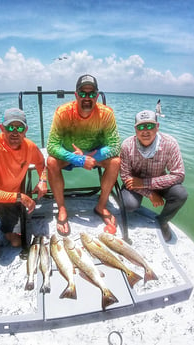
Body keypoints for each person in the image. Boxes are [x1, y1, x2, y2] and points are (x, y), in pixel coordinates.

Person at [47, 74, 121, 236]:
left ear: (96, 95)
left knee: (115, 161)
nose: (87, 97)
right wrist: (78, 159)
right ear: (76, 95)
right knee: (51, 161)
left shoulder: (106, 114)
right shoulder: (63, 112)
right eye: (83, 93)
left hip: (94, 156)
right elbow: (51, 146)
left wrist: (89, 157)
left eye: (91, 93)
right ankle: (62, 208)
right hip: (69, 155)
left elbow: (116, 146)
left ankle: (101, 206)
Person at [0, 108, 47, 272]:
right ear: (2, 128)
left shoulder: (30, 147)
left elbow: (41, 162)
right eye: (10, 127)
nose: (15, 132)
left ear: (25, 131)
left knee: (16, 242)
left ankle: (2, 224)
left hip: (11, 200)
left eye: (20, 128)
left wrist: (42, 180)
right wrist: (20, 196)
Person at [120, 109, 188, 242]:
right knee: (129, 205)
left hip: (159, 181)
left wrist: (146, 183)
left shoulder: (170, 143)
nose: (145, 131)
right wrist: (149, 193)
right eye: (141, 127)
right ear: (135, 129)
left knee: (180, 194)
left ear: (157, 127)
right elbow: (125, 176)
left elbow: (179, 175)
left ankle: (163, 220)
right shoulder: (127, 145)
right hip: (134, 183)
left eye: (150, 126)